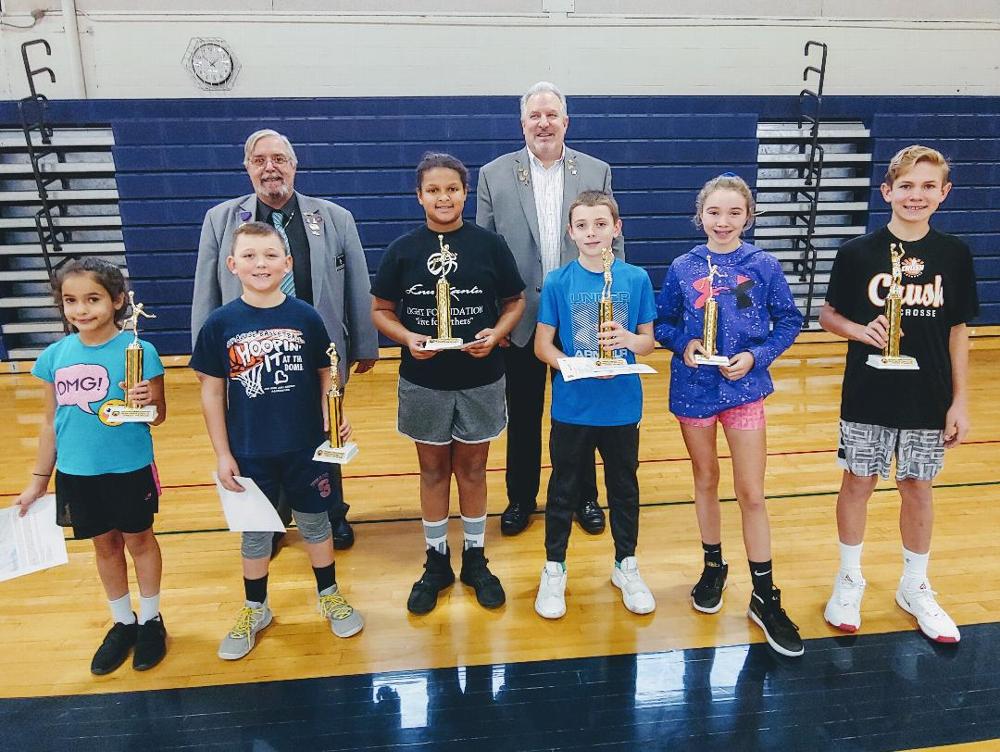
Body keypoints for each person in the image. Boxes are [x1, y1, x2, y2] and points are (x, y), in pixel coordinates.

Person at [191, 128, 378, 550]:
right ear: (247, 168)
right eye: (260, 160)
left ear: (294, 166)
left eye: (279, 159)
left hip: (317, 354)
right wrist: (205, 362)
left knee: (326, 428)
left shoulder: (333, 217)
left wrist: (365, 344)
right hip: (247, 358)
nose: (270, 167)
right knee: (255, 437)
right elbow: (205, 288)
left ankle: (332, 512)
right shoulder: (221, 220)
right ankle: (270, 517)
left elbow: (356, 284)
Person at [819, 145, 976, 643]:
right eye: (906, 185)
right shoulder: (857, 253)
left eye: (928, 186)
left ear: (944, 194)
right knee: (858, 484)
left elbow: (958, 332)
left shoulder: (954, 255)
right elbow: (828, 316)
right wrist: (858, 330)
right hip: (868, 394)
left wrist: (960, 400)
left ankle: (914, 585)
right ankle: (848, 579)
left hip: (927, 398)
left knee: (917, 488)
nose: (916, 195)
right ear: (887, 191)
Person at [190, 221, 364, 660]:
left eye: (270, 255)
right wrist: (223, 453)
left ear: (287, 263)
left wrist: (333, 414)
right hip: (249, 450)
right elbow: (211, 391)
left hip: (306, 446)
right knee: (255, 535)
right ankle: (256, 608)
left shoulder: (305, 316)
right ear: (232, 265)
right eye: (249, 256)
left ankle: (329, 595)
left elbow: (327, 372)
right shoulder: (220, 323)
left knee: (315, 525)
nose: (260, 264)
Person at [655, 174, 805, 657]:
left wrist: (757, 358)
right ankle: (713, 566)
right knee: (705, 479)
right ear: (700, 215)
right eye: (714, 212)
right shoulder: (683, 266)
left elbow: (789, 320)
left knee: (751, 492)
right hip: (695, 390)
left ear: (749, 216)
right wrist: (685, 343)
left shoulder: (763, 265)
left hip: (744, 390)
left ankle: (765, 592)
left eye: (734, 213)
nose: (723, 222)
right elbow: (663, 322)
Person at [371, 153, 525, 615]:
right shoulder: (402, 250)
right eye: (433, 190)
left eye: (452, 189)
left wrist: (497, 335)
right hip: (424, 380)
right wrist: (407, 337)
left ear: (465, 193)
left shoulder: (490, 246)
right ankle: (436, 560)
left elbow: (514, 301)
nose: (443, 197)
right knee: (434, 470)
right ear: (419, 196)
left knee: (474, 470)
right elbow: (381, 311)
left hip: (480, 377)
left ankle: (475, 557)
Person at [476, 81, 622, 537]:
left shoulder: (597, 170)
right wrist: (493, 320)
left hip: (581, 315)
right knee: (522, 416)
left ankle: (584, 496)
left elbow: (614, 244)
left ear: (565, 122)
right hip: (520, 318)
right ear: (522, 123)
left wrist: (613, 311)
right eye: (534, 116)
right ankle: (520, 498)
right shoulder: (492, 174)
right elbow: (484, 252)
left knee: (581, 413)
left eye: (551, 115)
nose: (543, 123)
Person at [15, 257, 168, 675]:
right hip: (78, 474)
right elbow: (50, 422)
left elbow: (159, 415)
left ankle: (152, 619)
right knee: (105, 547)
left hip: (129, 468)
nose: (81, 309)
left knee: (139, 541)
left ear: (118, 300)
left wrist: (146, 402)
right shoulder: (54, 356)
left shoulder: (140, 351)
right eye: (71, 300)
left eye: (93, 299)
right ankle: (123, 623)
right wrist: (37, 481)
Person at [532, 191, 657, 619]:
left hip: (621, 406)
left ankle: (627, 565)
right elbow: (542, 345)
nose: (592, 232)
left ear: (616, 228)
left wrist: (627, 342)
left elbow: (649, 341)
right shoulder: (557, 281)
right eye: (582, 225)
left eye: (601, 224)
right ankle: (554, 569)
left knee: (624, 487)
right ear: (570, 232)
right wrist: (571, 364)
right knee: (563, 488)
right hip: (574, 405)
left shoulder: (636, 278)